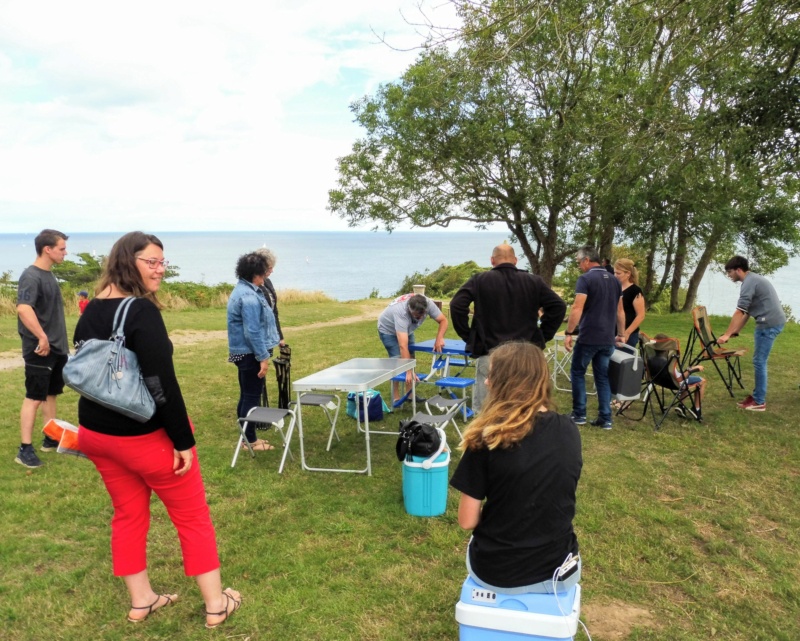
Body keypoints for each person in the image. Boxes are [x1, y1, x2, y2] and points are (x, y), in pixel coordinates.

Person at [74, 231, 241, 628]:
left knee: (127, 516)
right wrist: (183, 440)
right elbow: (160, 384)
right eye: (152, 262)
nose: (160, 270)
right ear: (127, 261)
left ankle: (142, 600)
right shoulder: (142, 312)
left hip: (96, 434)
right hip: (142, 437)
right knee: (192, 517)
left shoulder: (92, 308)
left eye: (163, 262)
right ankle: (216, 605)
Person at [450, 342, 582, 593]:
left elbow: (467, 521)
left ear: (507, 382)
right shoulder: (569, 430)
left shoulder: (485, 438)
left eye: (492, 375)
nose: (486, 382)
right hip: (558, 566)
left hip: (498, 572)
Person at [450, 244, 566, 412]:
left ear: (492, 260)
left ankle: (486, 436)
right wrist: (542, 335)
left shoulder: (479, 280)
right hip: (524, 353)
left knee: (487, 408)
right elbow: (558, 306)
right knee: (524, 405)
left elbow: (457, 305)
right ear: (515, 260)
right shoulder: (533, 281)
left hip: (490, 351)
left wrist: (468, 335)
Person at [15, 228, 69, 468]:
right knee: (34, 397)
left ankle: (51, 437)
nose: (65, 253)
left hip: (56, 347)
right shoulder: (31, 276)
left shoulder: (49, 275)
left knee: (50, 394)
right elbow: (23, 309)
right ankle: (24, 449)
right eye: (62, 248)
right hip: (40, 348)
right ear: (47, 249)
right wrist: (42, 337)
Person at [563, 246, 625, 430]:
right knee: (602, 377)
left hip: (589, 336)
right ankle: (605, 418)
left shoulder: (585, 279)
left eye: (579, 262)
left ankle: (579, 414)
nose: (579, 266)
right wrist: (621, 334)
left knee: (577, 372)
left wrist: (569, 332)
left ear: (587, 260)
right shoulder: (615, 281)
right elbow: (620, 311)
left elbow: (577, 307)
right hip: (607, 337)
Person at [718, 255, 786, 411]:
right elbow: (747, 312)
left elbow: (739, 311)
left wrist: (727, 334)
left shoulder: (749, 282)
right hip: (770, 321)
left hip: (769, 323)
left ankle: (759, 401)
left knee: (759, 361)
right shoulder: (752, 280)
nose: (729, 276)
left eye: (730, 272)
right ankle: (756, 396)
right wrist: (736, 331)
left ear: (739, 270)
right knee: (758, 360)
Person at [227, 252, 281, 448]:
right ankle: (249, 440)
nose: (266, 276)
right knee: (251, 396)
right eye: (264, 273)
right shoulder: (249, 296)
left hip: (245, 353)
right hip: (250, 354)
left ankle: (246, 437)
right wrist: (263, 358)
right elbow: (252, 331)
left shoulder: (243, 289)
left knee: (246, 394)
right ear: (255, 274)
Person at [377, 293, 448, 405]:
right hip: (387, 330)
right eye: (416, 316)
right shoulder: (401, 312)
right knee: (397, 361)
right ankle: (396, 398)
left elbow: (443, 320)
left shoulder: (428, 303)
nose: (419, 319)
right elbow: (403, 346)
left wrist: (439, 338)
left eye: (421, 316)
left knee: (412, 357)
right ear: (410, 309)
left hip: (407, 330)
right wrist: (408, 370)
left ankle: (409, 395)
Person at [650, 334, 706, 420]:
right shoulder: (668, 362)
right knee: (702, 381)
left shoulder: (650, 359)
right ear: (666, 348)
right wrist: (693, 369)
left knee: (686, 381)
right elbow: (680, 378)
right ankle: (696, 409)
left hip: (659, 381)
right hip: (675, 383)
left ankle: (681, 406)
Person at [254, 247, 285, 347]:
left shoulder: (267, 282)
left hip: (269, 336)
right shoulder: (251, 286)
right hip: (258, 338)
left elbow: (273, 312)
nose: (272, 271)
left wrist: (280, 336)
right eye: (270, 268)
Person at [614, 258, 646, 348]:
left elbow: (641, 315)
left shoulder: (635, 291)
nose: (615, 275)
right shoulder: (614, 288)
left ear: (628, 274)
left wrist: (626, 333)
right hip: (610, 333)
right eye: (614, 272)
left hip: (628, 336)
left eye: (618, 273)